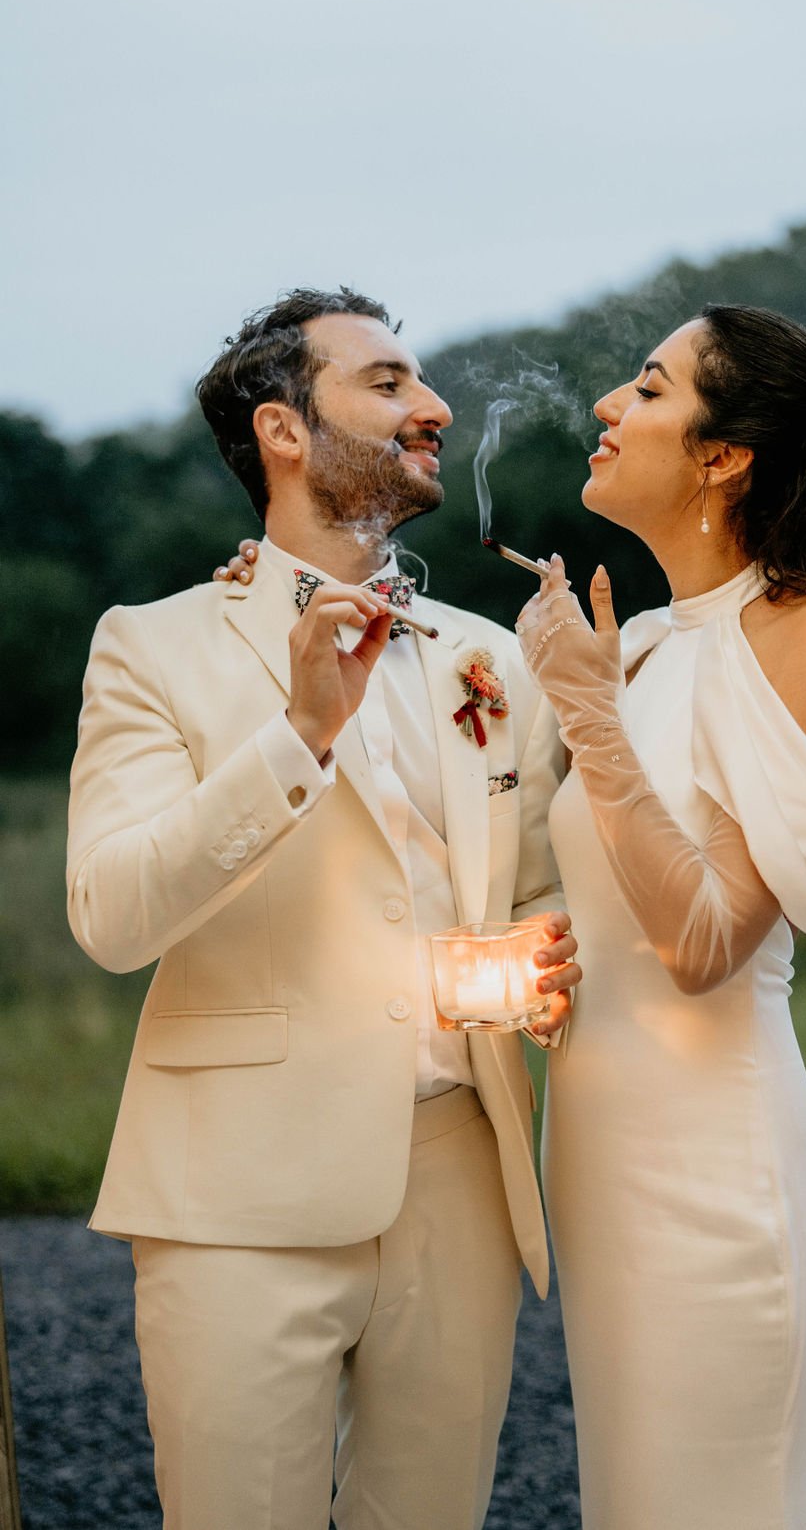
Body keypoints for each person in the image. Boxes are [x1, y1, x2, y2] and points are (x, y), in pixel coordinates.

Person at [66, 286, 580, 1530]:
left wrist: (553, 949)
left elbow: (545, 886)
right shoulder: (152, 647)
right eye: (390, 382)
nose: (435, 405)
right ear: (282, 432)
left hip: (459, 1174)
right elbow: (111, 915)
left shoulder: (486, 657)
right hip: (236, 1194)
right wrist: (301, 733)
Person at [514, 304, 806, 1530]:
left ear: (720, 454)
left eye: (645, 388)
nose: (603, 409)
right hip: (599, 1155)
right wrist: (547, 958)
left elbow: (701, 943)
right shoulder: (633, 646)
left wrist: (584, 715)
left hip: (716, 1171)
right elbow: (621, 908)